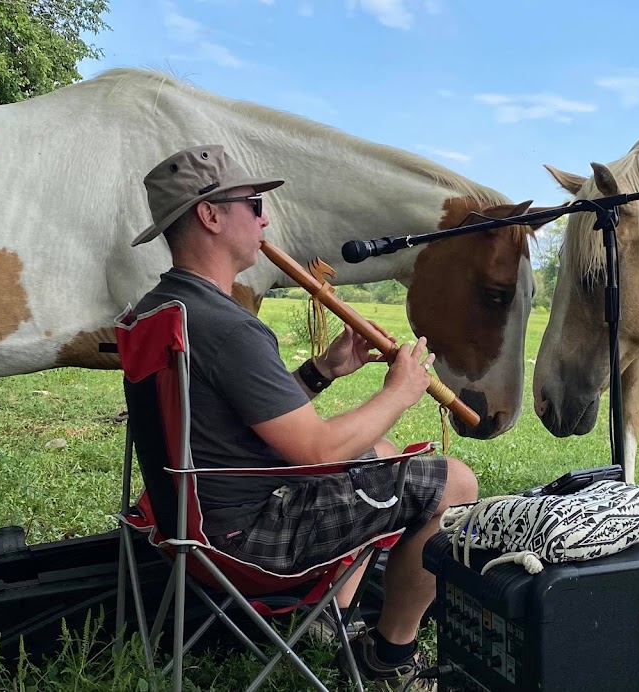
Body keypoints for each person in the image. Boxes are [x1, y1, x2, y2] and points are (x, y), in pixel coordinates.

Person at [130, 144, 479, 686]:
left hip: (183, 524)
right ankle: (389, 658)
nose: (264, 216)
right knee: (454, 482)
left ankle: (330, 617)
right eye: (253, 203)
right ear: (211, 215)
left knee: (379, 455)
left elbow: (230, 418)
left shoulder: (161, 308)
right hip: (248, 542)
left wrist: (323, 369)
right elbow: (315, 452)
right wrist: (400, 391)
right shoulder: (228, 327)